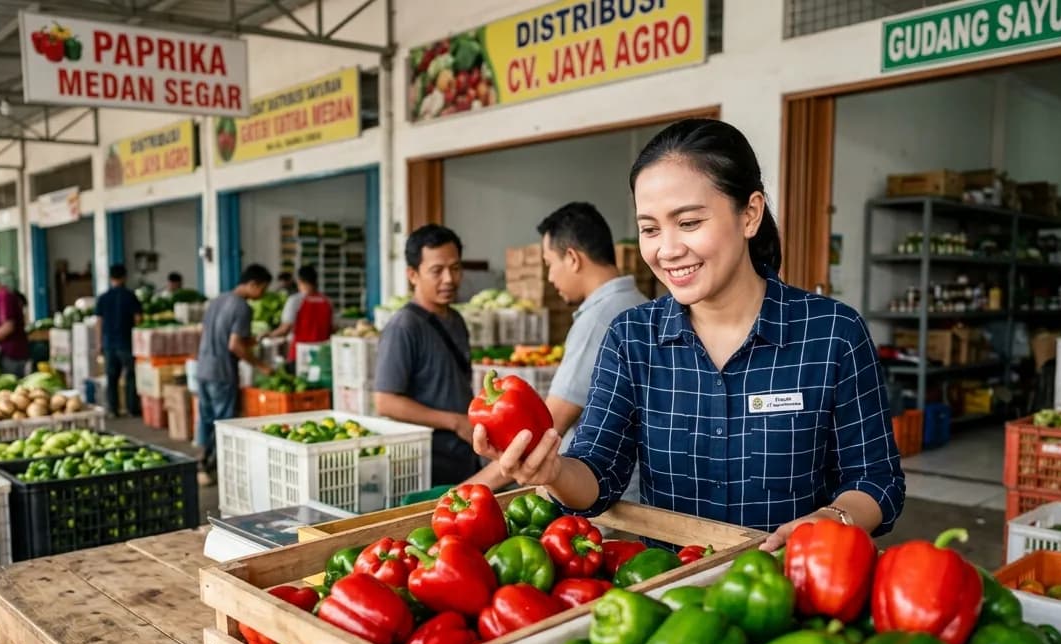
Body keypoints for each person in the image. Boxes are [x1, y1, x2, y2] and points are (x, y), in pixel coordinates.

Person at [474, 118, 905, 553]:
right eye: (650, 228)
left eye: (689, 222)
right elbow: (597, 474)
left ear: (750, 214)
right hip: (669, 593)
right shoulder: (632, 338)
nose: (667, 249)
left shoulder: (832, 333)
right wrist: (553, 472)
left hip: (793, 587)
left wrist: (831, 520)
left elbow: (876, 479)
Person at [464, 202, 649, 499]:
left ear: (573, 258)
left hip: (601, 498)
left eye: (550, 263)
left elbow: (545, 432)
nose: (549, 277)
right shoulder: (637, 304)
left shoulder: (599, 320)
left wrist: (467, 490)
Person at [374, 225, 481, 485]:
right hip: (427, 463)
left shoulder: (455, 319)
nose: (449, 279)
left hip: (463, 456)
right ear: (413, 274)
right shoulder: (404, 326)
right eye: (437, 271)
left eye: (455, 268)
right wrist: (455, 422)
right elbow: (385, 401)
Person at [195, 264, 273, 486]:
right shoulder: (242, 308)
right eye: (263, 289)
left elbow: (221, 334)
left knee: (206, 418)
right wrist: (261, 365)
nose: (263, 294)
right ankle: (216, 469)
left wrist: (254, 339)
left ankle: (201, 464)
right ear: (253, 284)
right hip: (221, 371)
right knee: (223, 423)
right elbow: (235, 345)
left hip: (203, 367)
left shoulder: (218, 300)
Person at [95, 264, 143, 418]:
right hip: (126, 342)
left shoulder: (103, 298)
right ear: (124, 277)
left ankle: (113, 409)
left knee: (112, 377)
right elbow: (138, 319)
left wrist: (99, 343)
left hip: (109, 343)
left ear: (110, 278)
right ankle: (131, 409)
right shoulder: (130, 296)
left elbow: (99, 322)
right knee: (130, 376)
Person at [270, 264, 333, 363]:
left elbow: (285, 329)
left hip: (300, 355)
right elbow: (332, 328)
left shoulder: (295, 300)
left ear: (299, 281)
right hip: (322, 354)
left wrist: (268, 335)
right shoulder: (327, 301)